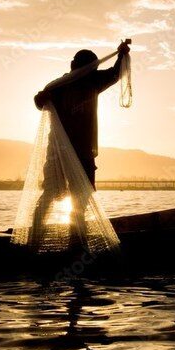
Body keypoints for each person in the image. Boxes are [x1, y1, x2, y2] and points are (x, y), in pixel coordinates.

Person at [29, 41, 131, 249]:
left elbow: (114, 73)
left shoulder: (87, 82)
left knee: (70, 197)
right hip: (66, 152)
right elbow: (39, 101)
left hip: (75, 152)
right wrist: (121, 55)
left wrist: (121, 54)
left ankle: (61, 241)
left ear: (73, 65)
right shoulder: (64, 85)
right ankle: (71, 242)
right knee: (69, 196)